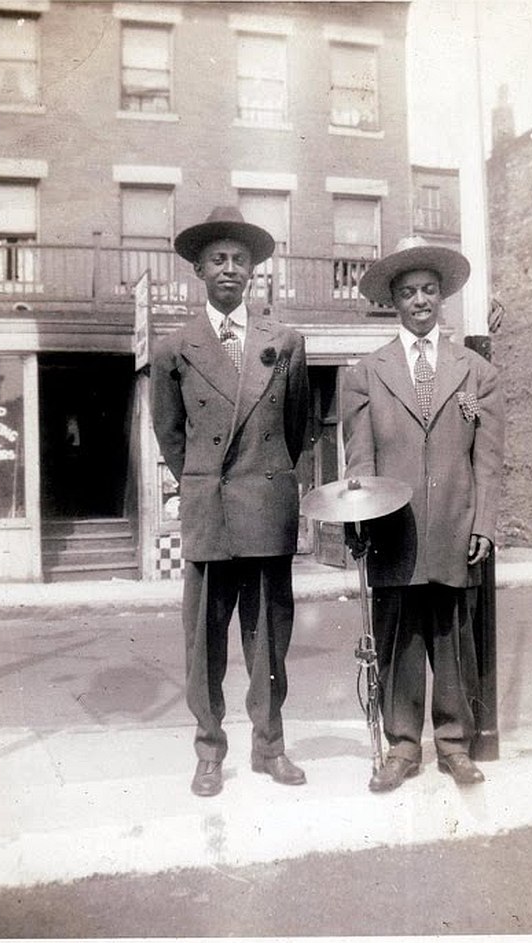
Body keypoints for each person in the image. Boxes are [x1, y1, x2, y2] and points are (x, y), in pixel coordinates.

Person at [151, 206, 309, 797]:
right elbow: (171, 436)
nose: (229, 269)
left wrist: (260, 477)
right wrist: (205, 480)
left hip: (266, 507)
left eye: (240, 260)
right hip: (210, 511)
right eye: (218, 259)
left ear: (254, 272)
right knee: (205, 643)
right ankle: (208, 750)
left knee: (269, 639)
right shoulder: (174, 348)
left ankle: (270, 747)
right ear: (198, 269)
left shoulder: (285, 341)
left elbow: (295, 429)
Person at [342, 235, 504, 792]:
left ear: (442, 297)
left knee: (454, 639)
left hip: (456, 527)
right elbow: (360, 458)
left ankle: (454, 745)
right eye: (408, 292)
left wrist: (483, 523)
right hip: (395, 529)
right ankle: (403, 746)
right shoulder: (366, 373)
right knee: (400, 639)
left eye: (429, 290)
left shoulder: (475, 372)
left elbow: (488, 461)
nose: (419, 301)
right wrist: (360, 520)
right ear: (393, 300)